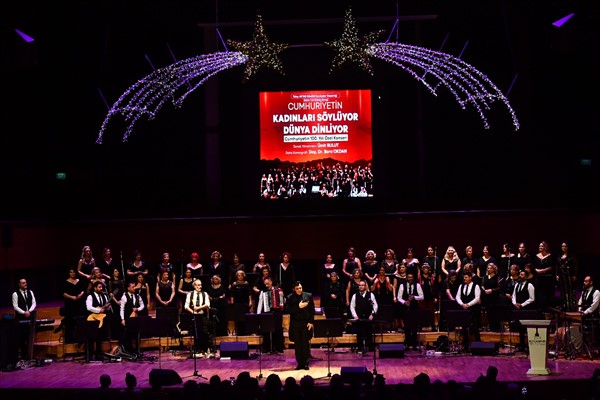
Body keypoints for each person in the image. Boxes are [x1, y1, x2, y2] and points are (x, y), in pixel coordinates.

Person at [285, 281, 314, 370]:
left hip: (305, 323)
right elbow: (288, 310)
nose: (299, 290)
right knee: (298, 344)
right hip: (295, 323)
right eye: (297, 288)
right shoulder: (290, 297)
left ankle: (306, 363)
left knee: (305, 344)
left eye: (300, 288)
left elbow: (312, 310)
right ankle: (300, 363)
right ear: (294, 289)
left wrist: (311, 322)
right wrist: (299, 306)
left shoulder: (308, 296)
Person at [256, 276, 285, 353]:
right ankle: (267, 347)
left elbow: (282, 302)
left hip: (277, 312)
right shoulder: (263, 292)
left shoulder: (278, 290)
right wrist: (258, 314)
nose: (266, 285)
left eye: (267, 283)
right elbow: (260, 303)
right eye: (265, 284)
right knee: (267, 330)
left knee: (278, 329)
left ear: (271, 282)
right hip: (267, 312)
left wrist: (282, 297)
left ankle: (278, 347)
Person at [86, 280, 113, 361]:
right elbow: (89, 307)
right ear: (95, 288)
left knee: (99, 337)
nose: (101, 288)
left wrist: (107, 307)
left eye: (101, 287)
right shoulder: (90, 296)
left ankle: (98, 354)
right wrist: (98, 310)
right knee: (91, 337)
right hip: (93, 318)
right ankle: (90, 355)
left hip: (101, 319)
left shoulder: (104, 296)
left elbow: (105, 308)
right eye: (99, 287)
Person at [350, 280, 379, 354]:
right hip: (359, 318)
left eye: (363, 285)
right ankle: (360, 347)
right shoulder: (355, 295)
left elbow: (375, 305)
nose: (361, 286)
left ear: (365, 286)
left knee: (369, 332)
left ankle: (369, 347)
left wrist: (372, 314)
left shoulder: (371, 295)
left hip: (368, 318)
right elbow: (352, 307)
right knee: (359, 333)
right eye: (360, 285)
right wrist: (355, 316)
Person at [397, 272, 423, 350]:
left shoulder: (417, 285)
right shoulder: (402, 285)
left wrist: (414, 297)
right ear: (406, 278)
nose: (410, 278)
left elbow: (422, 297)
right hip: (406, 308)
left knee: (414, 326)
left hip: (415, 308)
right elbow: (399, 297)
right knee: (407, 327)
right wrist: (404, 302)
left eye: (411, 277)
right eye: (409, 277)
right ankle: (407, 343)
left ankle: (414, 344)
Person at [455, 271, 481, 350]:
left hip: (473, 310)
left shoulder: (476, 286)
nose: (464, 278)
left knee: (475, 328)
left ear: (470, 277)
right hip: (464, 310)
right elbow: (457, 296)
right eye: (464, 277)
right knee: (464, 328)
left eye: (466, 277)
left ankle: (478, 346)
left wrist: (468, 304)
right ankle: (465, 346)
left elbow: (477, 298)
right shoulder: (461, 286)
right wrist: (462, 304)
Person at [185, 278, 211, 356]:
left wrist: (198, 308)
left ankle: (205, 349)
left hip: (202, 315)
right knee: (196, 333)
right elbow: (186, 306)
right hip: (194, 316)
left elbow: (207, 304)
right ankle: (197, 349)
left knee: (205, 332)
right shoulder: (190, 294)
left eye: (201, 285)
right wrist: (193, 311)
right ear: (194, 286)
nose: (200, 286)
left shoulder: (204, 294)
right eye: (198, 285)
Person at [12, 278, 37, 360]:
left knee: (29, 337)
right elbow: (15, 306)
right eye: (23, 283)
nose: (25, 284)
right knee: (22, 338)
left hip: (30, 316)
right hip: (20, 318)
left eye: (26, 282)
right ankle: (23, 356)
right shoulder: (15, 294)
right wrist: (24, 312)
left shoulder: (30, 292)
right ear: (19, 284)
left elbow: (34, 302)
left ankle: (30, 355)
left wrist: (29, 311)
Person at [59, 268, 85, 343]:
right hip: (69, 303)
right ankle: (69, 339)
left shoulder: (79, 281)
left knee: (79, 320)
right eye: (71, 272)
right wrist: (72, 297)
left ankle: (79, 338)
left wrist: (80, 295)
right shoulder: (66, 282)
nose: (72, 273)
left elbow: (83, 290)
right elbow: (63, 293)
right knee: (70, 321)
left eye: (74, 272)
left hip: (79, 302)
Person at [512, 269, 536, 351]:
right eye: (520, 274)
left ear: (526, 276)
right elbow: (514, 296)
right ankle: (522, 346)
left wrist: (522, 305)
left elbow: (532, 298)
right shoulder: (517, 285)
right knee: (520, 328)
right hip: (518, 310)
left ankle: (529, 346)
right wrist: (515, 303)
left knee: (527, 328)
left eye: (522, 275)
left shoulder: (530, 285)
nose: (520, 276)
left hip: (526, 309)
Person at [120, 281, 145, 354]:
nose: (134, 288)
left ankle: (137, 349)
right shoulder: (124, 297)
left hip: (135, 318)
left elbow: (142, 305)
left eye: (135, 286)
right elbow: (122, 309)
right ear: (128, 288)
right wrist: (122, 319)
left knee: (137, 333)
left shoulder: (137, 296)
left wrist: (138, 309)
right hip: (128, 318)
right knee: (128, 334)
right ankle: (129, 350)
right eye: (133, 287)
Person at [578, 276, 600, 347]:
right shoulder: (583, 291)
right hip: (583, 315)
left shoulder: (596, 292)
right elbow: (580, 302)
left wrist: (585, 312)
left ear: (591, 282)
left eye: (586, 281)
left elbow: (594, 305)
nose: (584, 283)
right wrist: (580, 311)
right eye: (584, 281)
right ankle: (581, 345)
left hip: (592, 316)